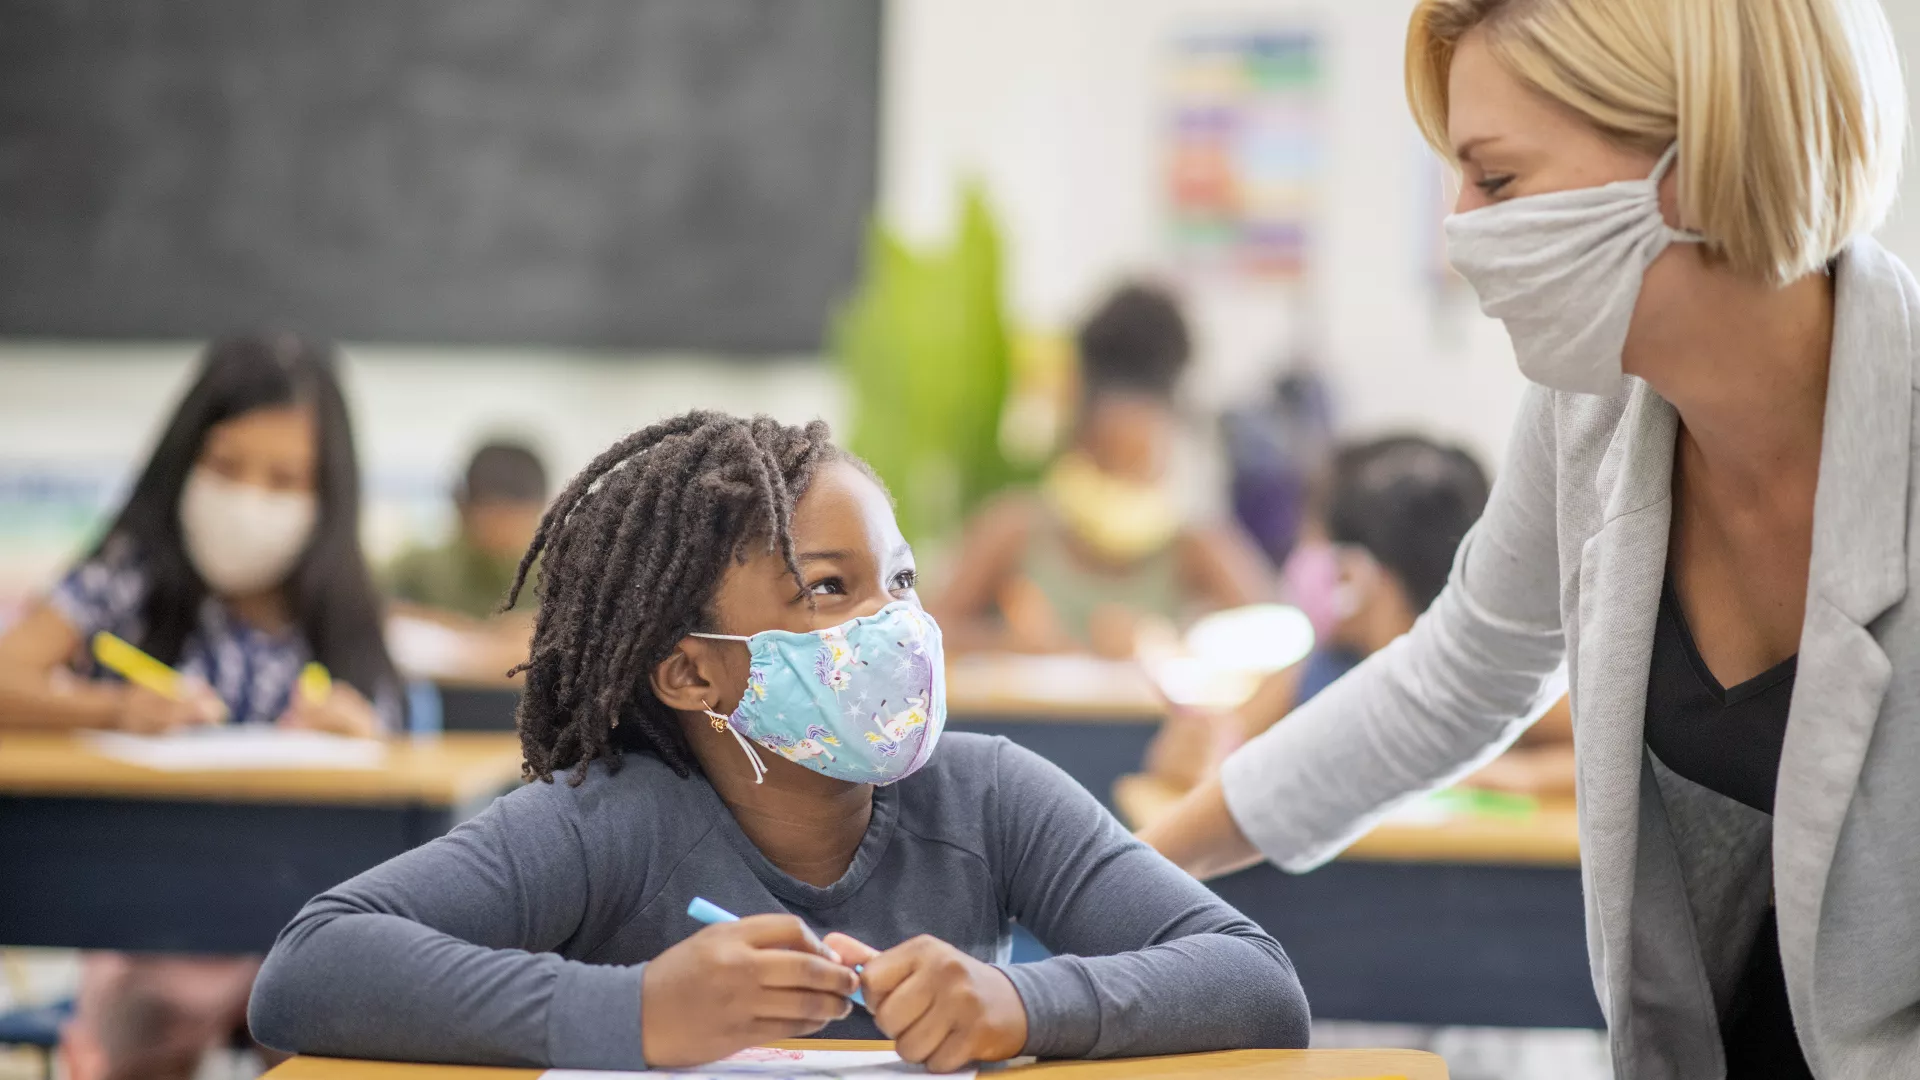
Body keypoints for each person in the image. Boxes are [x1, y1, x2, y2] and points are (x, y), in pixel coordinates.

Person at [1141, 0, 1914, 1075]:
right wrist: (1122, 883)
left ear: (1691, 162)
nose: (1460, 234)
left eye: (1495, 181)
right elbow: (1455, 679)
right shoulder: (1592, 411)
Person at [246, 412, 1310, 1072]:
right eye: (828, 592)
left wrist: (1019, 1001)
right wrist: (639, 1013)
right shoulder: (615, 819)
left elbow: (1257, 985)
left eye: (899, 581)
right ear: (692, 670)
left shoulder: (986, 794)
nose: (892, 624)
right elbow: (309, 970)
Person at [0, 334, 402, 1080]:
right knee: (149, 1020)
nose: (250, 498)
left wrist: (360, 729)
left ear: (328, 493)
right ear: (184, 460)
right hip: (147, 925)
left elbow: (395, 746)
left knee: (331, 1024)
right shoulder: (133, 572)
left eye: (285, 480)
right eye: (225, 467)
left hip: (303, 925)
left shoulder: (340, 603)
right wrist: (112, 708)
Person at [935, 282, 1274, 658]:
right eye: (1108, 460)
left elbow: (1277, 639)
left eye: (1140, 464)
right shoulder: (1015, 530)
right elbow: (925, 631)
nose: (1123, 481)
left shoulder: (1194, 546)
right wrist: (1001, 642)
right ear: (1076, 444)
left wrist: (1171, 643)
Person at [387, 439, 548, 621]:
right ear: (465, 509)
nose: (504, 536)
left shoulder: (555, 575)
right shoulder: (418, 569)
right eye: (493, 520)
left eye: (516, 521)